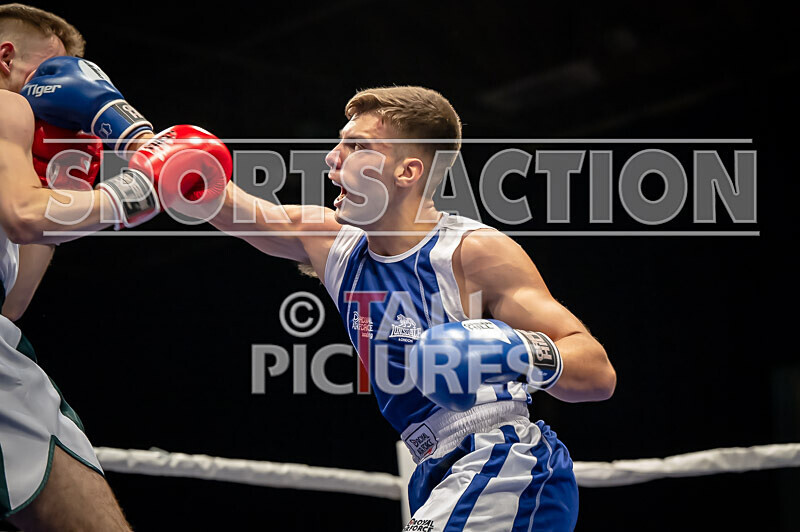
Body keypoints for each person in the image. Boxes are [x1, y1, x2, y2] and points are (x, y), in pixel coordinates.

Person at [205, 86, 616, 530]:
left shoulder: (471, 252)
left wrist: (514, 351)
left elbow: (597, 372)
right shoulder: (331, 243)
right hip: (434, 470)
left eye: (357, 145)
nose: (331, 157)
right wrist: (146, 142)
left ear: (407, 171)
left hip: (503, 460)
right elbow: (219, 201)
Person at [0, 4, 230, 529]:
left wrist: (66, 190)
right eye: (48, 75)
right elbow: (22, 217)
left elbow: (10, 304)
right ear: (6, 58)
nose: (56, 93)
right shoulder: (5, 107)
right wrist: (134, 189)